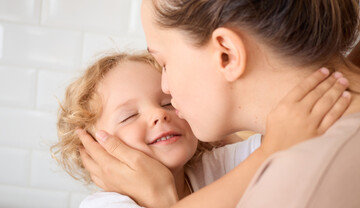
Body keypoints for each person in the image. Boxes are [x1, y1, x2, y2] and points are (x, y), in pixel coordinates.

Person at [78, 0, 360, 207]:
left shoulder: (299, 186)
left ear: (227, 54)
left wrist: (162, 199)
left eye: (164, 62)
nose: (166, 87)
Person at [52, 51, 347, 208]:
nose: (158, 114)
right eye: (129, 116)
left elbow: (293, 132)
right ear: (95, 149)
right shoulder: (106, 206)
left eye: (168, 103)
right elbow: (275, 147)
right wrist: (271, 151)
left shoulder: (213, 166)